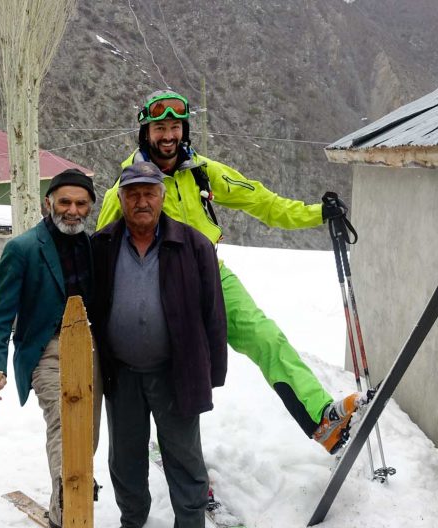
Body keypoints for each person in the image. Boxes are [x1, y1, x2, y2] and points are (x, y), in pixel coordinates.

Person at [97, 90, 362, 454]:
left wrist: (317, 213)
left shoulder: (202, 172)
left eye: (175, 126)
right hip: (160, 286)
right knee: (178, 373)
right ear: (146, 133)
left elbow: (262, 201)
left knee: (265, 337)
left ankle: (322, 420)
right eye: (160, 127)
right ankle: (180, 459)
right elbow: (102, 249)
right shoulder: (128, 186)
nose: (169, 135)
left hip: (211, 274)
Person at [92, 161, 228, 528]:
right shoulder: (102, 245)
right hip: (122, 372)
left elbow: (213, 314)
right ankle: (133, 518)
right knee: (125, 453)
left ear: (162, 197)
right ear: (121, 200)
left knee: (184, 452)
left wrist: (212, 372)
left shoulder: (193, 245)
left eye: (149, 193)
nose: (141, 201)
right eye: (132, 194)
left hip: (175, 371)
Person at [0, 169, 102, 528]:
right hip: (46, 351)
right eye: (64, 201)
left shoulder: (94, 247)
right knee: (66, 422)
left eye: (81, 203)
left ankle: (60, 502)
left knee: (89, 434)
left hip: (90, 350)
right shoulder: (22, 249)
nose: (72, 210)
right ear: (48, 202)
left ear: (90, 206)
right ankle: (71, 507)